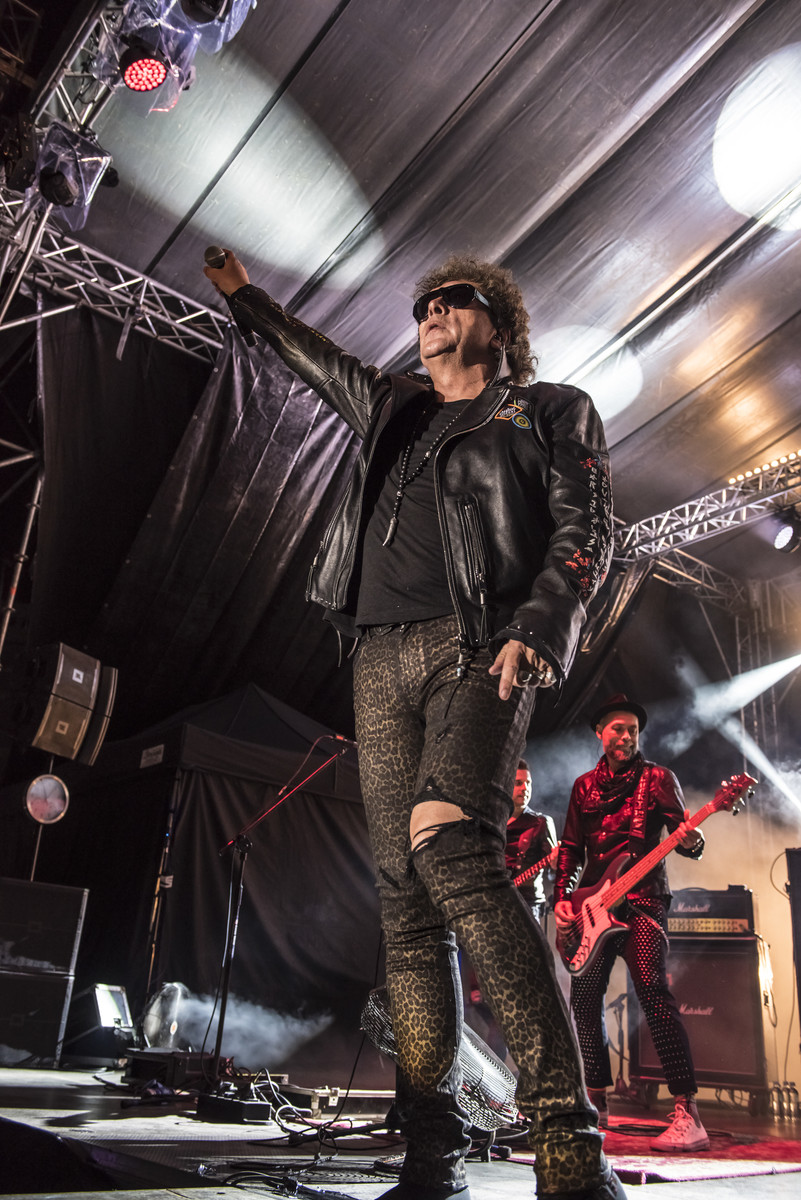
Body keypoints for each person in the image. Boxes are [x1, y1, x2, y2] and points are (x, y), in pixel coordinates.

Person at [204, 249, 622, 1200]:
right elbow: (315, 358)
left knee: (453, 850)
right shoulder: (393, 406)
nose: (430, 310)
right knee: (404, 905)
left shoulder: (548, 409)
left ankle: (568, 1145)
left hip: (480, 643)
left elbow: (587, 526)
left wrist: (542, 624)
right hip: (376, 655)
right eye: (422, 303)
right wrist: (244, 298)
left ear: (497, 325)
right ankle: (431, 1153)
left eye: (452, 299)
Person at [553, 694, 709, 1153]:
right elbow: (570, 849)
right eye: (617, 729)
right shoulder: (583, 787)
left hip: (643, 901)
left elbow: (684, 838)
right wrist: (563, 900)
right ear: (600, 733)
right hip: (593, 908)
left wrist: (693, 841)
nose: (626, 736)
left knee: (652, 991)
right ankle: (595, 1102)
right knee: (584, 1001)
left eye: (632, 730)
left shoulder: (657, 779)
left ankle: (688, 1112)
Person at [506, 758, 558, 924]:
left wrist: (556, 865)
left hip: (527, 904)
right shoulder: (493, 823)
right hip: (495, 903)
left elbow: (555, 875)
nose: (525, 788)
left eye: (528, 783)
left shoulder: (541, 823)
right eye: (518, 783)